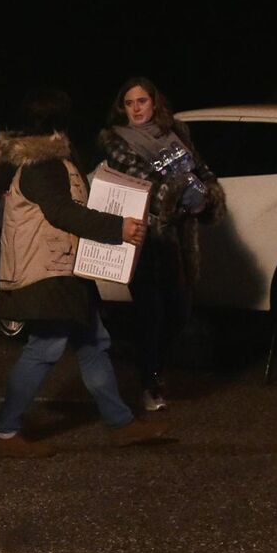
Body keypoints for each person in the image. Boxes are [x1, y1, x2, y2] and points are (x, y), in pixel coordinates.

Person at [0, 88, 170, 458]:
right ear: (59, 127)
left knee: (94, 344)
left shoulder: (53, 162)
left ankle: (120, 424)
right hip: (47, 271)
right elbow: (62, 213)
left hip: (64, 268)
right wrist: (118, 228)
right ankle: (5, 432)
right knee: (45, 347)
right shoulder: (44, 164)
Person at [99, 77, 225, 411]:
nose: (137, 108)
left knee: (179, 312)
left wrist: (209, 193)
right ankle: (149, 382)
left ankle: (150, 364)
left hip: (179, 240)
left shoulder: (177, 133)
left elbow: (202, 170)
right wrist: (185, 192)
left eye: (142, 101)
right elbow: (147, 183)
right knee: (150, 314)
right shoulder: (117, 139)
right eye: (129, 103)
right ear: (121, 108)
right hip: (145, 237)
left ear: (155, 102)